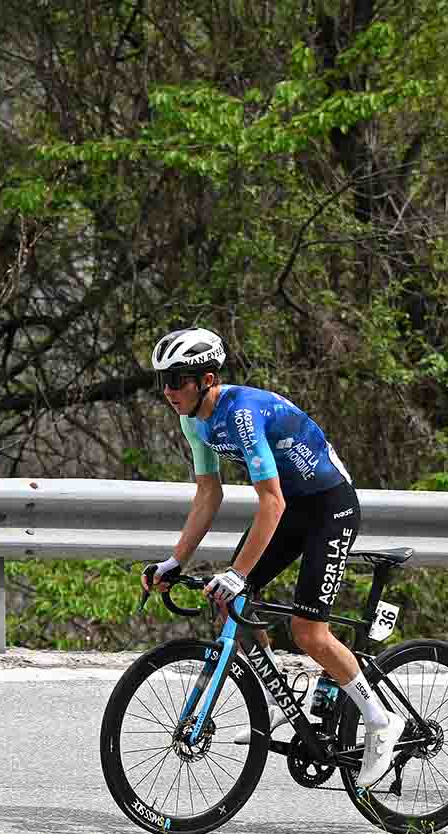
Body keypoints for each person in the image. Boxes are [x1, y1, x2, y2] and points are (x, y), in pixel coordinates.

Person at [142, 325, 402, 787]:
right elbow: (208, 494)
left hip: (329, 507)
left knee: (308, 633)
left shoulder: (240, 413)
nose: (167, 391)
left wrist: (239, 572)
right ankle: (284, 703)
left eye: (177, 378)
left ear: (206, 378)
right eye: (161, 380)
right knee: (234, 604)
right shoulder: (192, 420)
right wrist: (174, 561)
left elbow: (272, 502)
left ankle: (380, 720)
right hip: (290, 508)